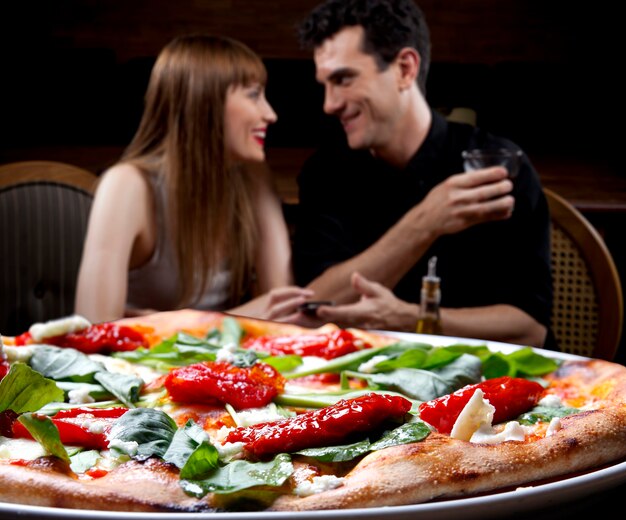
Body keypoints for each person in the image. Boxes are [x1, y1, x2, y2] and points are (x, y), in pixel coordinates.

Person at [290, 0, 554, 348]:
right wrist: (425, 222)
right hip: (364, 383)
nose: (330, 104)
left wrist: (413, 319)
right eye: (325, 84)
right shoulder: (325, 172)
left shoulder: (495, 164)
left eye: (343, 79)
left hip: (493, 382)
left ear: (404, 68)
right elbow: (313, 308)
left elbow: (530, 327)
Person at [75, 34, 312, 324]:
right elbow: (93, 327)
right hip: (134, 368)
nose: (270, 114)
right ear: (204, 100)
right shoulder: (127, 185)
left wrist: (158, 322)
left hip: (223, 365)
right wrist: (236, 318)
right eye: (253, 95)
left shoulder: (253, 177)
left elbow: (282, 311)